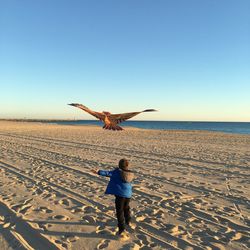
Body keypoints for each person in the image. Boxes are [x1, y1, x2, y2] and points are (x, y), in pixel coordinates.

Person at [92, 158, 135, 236]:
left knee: (120, 211)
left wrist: (98, 171)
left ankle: (122, 229)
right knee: (126, 208)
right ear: (127, 166)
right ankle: (128, 221)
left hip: (120, 195)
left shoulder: (117, 172)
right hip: (128, 194)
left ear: (119, 165)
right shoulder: (130, 174)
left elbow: (107, 173)